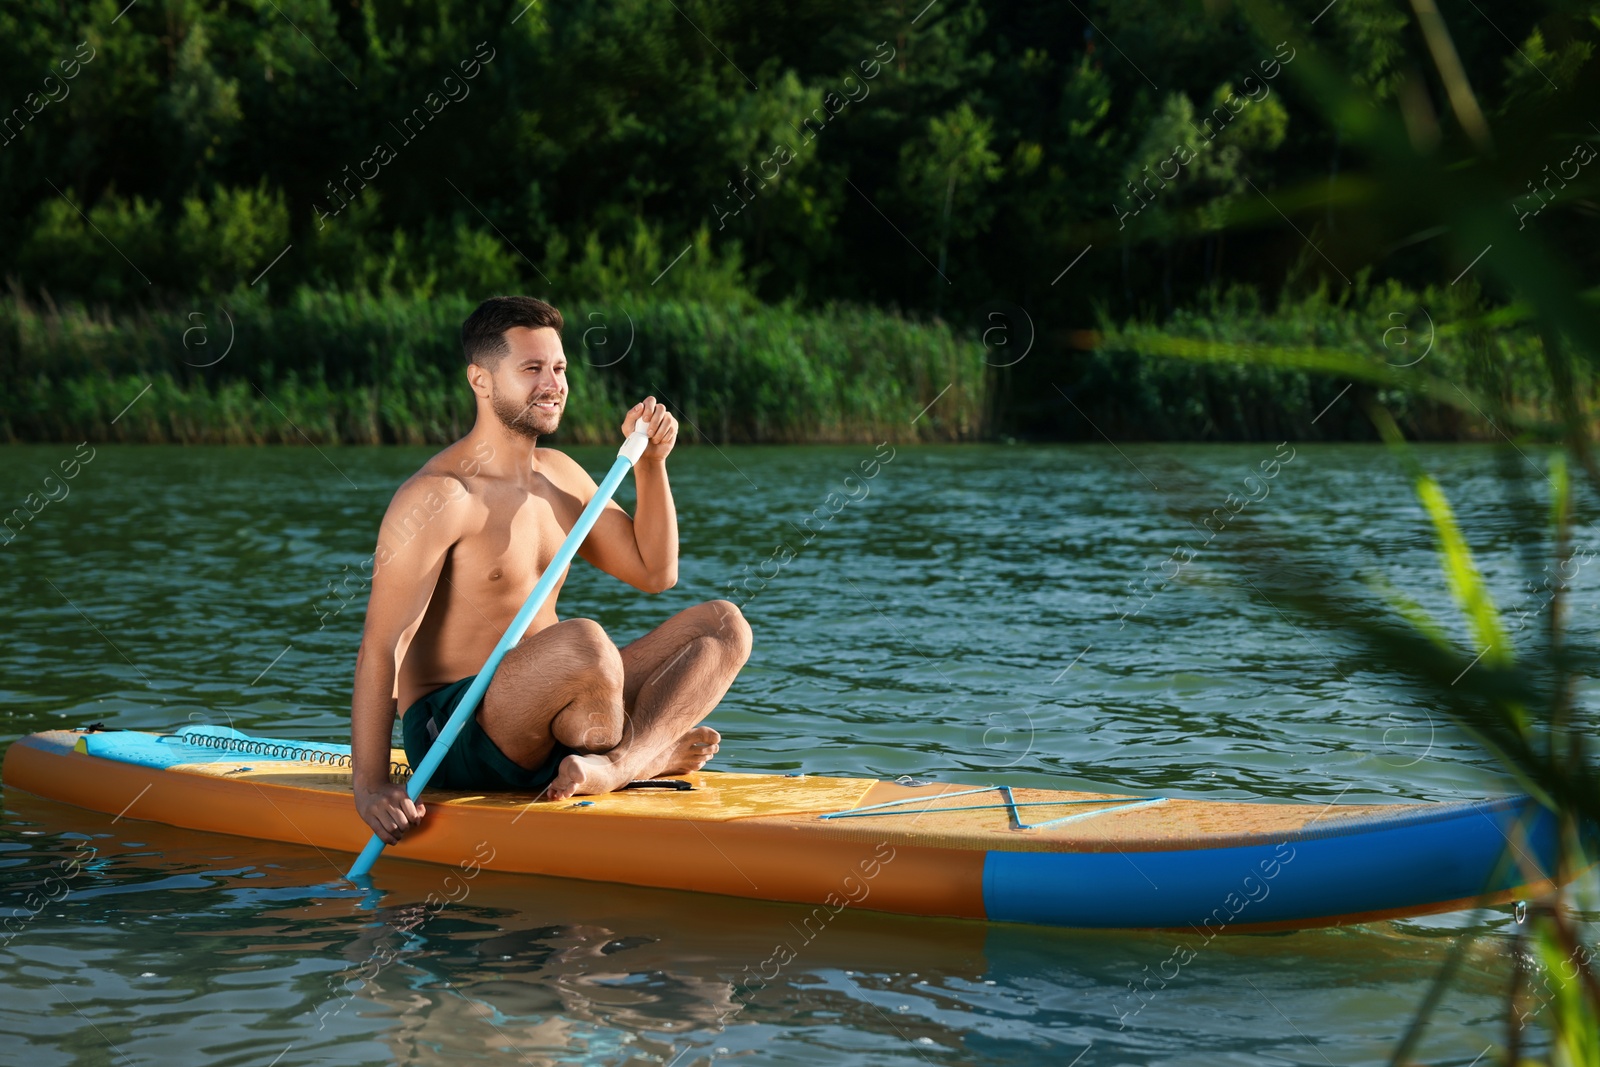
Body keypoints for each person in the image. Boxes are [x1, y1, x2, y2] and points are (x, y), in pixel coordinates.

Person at [350, 295, 752, 844]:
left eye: (559, 368)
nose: (553, 383)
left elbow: (656, 572)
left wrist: (652, 465)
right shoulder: (439, 497)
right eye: (532, 368)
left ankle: (619, 765)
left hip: (572, 704)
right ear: (482, 381)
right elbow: (381, 646)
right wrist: (370, 786)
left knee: (723, 625)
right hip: (457, 728)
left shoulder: (559, 475)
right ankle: (648, 753)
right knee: (586, 647)